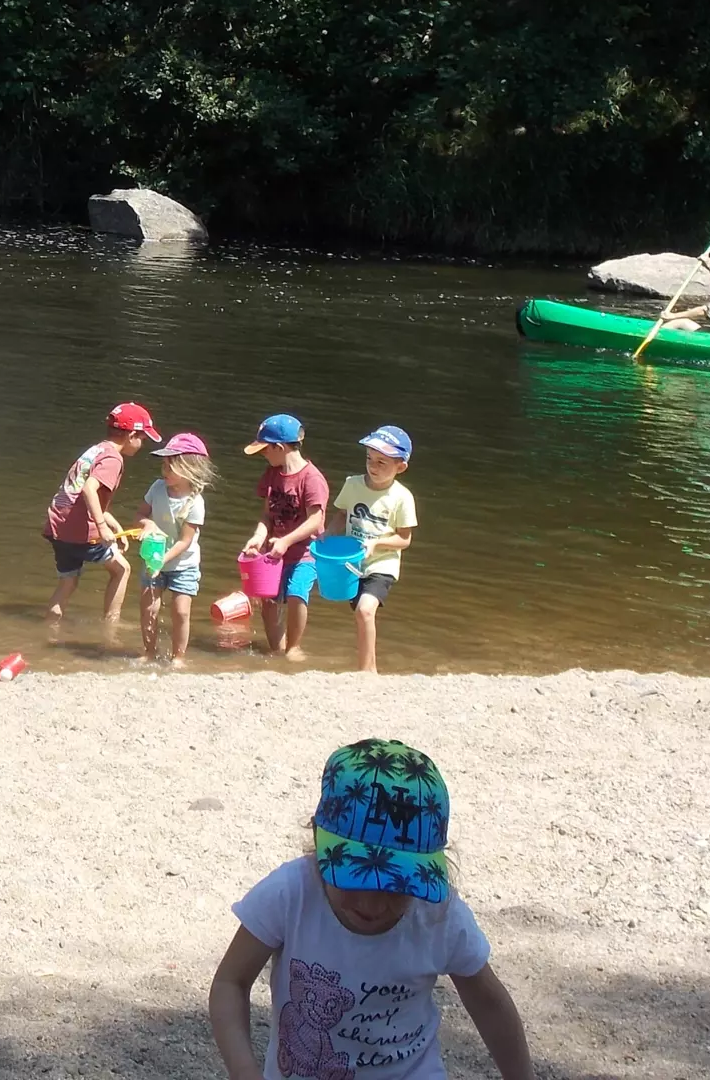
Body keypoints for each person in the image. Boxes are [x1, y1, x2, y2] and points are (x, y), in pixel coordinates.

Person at [208, 738, 536, 1080]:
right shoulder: (289, 895)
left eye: (396, 887)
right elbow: (231, 981)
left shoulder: (438, 915)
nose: (373, 904)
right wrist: (244, 1070)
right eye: (355, 878)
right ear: (319, 840)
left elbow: (489, 1002)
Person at [43, 402, 161, 620]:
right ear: (131, 435)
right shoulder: (113, 459)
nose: (141, 445)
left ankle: (50, 630)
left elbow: (81, 495)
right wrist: (102, 527)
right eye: (142, 439)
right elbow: (89, 489)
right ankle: (111, 625)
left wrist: (113, 525)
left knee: (68, 582)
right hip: (78, 530)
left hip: (57, 526)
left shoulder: (96, 450)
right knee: (122, 569)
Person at [240, 414, 329, 661]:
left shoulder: (311, 479)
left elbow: (316, 520)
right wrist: (258, 537)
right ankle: (275, 649)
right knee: (267, 599)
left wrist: (286, 540)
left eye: (264, 450)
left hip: (306, 552)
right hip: (274, 552)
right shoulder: (272, 475)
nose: (263, 455)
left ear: (279, 448)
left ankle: (293, 647)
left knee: (295, 594)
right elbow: (267, 515)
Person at [330, 427, 418, 675]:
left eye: (382, 462)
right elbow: (342, 514)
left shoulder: (402, 497)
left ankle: (367, 672)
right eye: (369, 459)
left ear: (400, 467)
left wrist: (376, 543)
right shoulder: (353, 484)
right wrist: (326, 535)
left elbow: (404, 539)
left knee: (365, 610)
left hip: (382, 564)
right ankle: (368, 666)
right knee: (360, 614)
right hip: (353, 563)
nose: (373, 466)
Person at [135, 432, 215, 663]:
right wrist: (147, 523)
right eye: (164, 464)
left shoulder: (195, 501)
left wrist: (163, 560)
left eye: (170, 466)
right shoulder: (157, 488)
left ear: (189, 469)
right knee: (149, 608)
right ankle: (149, 652)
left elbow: (185, 540)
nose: (164, 471)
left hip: (184, 564)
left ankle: (178, 657)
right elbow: (140, 513)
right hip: (153, 558)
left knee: (180, 612)